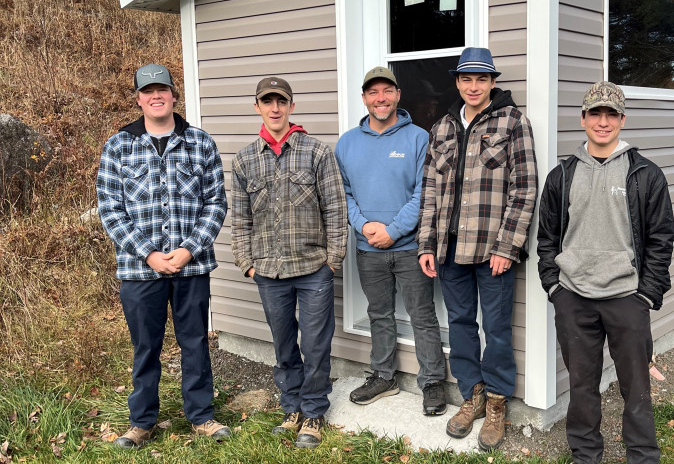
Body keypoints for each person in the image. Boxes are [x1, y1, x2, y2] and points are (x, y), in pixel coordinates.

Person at [537, 81, 674, 464]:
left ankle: (643, 455)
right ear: (582, 119)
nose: (602, 121)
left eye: (610, 114)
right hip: (574, 297)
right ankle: (585, 455)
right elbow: (546, 237)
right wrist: (554, 287)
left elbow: (661, 239)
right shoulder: (561, 176)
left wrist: (646, 294)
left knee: (636, 387)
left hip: (627, 298)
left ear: (622, 120)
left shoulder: (645, 174)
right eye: (594, 113)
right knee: (582, 386)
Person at [96, 64, 230, 448]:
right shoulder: (118, 146)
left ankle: (202, 416)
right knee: (145, 346)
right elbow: (110, 209)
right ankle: (141, 422)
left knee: (195, 341)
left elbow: (216, 204)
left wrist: (188, 250)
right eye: (148, 91)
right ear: (139, 98)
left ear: (174, 95)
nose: (156, 96)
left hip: (193, 267)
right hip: (139, 271)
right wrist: (150, 254)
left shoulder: (200, 143)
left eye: (163, 89)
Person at [417, 47, 538, 450]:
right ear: (457, 82)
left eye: (481, 79)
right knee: (462, 325)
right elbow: (430, 190)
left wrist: (508, 246)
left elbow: (524, 188)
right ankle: (473, 396)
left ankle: (499, 403)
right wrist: (427, 244)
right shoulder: (442, 128)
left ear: (492, 82)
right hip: (450, 251)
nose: (473, 86)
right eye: (467, 79)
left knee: (497, 330)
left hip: (492, 252)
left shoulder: (513, 122)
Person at [231, 76, 348, 449]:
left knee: (315, 344)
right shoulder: (245, 159)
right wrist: (246, 261)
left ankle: (313, 412)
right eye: (268, 102)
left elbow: (335, 208)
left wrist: (333, 260)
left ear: (292, 106)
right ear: (258, 108)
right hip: (269, 271)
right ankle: (292, 407)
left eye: (281, 101)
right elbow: (240, 218)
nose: (275, 108)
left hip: (313, 268)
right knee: (284, 345)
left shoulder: (316, 152)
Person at [334, 66, 447, 415]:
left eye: (387, 91)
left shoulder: (417, 138)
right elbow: (344, 193)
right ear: (365, 98)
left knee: (422, 315)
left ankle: (431, 381)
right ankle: (383, 376)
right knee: (379, 314)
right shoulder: (347, 143)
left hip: (411, 247)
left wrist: (393, 230)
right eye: (373, 92)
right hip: (367, 249)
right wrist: (364, 226)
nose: (380, 98)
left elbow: (423, 193)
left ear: (398, 95)